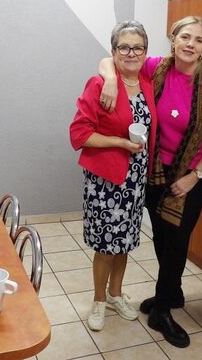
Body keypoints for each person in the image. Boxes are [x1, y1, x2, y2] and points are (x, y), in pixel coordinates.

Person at [99, 16, 202, 348]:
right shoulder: (156, 67)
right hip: (154, 172)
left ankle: (162, 310)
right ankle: (171, 293)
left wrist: (195, 176)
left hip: (190, 176)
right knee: (161, 237)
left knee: (176, 241)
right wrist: (110, 80)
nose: (190, 44)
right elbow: (112, 59)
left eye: (198, 40)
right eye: (185, 37)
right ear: (173, 40)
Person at [69, 20, 158, 332]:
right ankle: (98, 299)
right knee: (106, 246)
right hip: (106, 182)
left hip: (135, 181)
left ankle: (115, 294)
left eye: (138, 47)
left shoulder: (148, 83)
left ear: (146, 51)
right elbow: (79, 134)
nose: (131, 53)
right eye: (124, 47)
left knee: (126, 242)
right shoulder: (100, 84)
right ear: (114, 51)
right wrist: (120, 143)